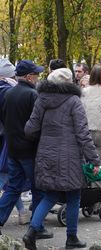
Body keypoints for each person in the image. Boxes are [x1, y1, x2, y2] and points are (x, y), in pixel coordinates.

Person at [22, 68, 101, 249]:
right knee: (74, 196)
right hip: (69, 156)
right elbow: (83, 134)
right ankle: (71, 238)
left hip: (46, 153)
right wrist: (94, 160)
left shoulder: (42, 100)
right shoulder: (74, 101)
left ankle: (31, 232)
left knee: (49, 196)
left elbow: (29, 129)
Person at [0, 60, 46, 236]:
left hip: (12, 148)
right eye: (36, 74)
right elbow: (37, 123)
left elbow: (4, 119)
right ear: (28, 77)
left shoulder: (9, 94)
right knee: (38, 188)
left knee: (13, 186)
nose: (38, 77)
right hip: (29, 149)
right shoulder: (32, 95)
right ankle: (37, 227)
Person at [0, 58, 30, 225]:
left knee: (8, 180)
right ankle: (23, 212)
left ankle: (24, 212)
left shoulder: (6, 91)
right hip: (10, 139)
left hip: (6, 139)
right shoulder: (11, 90)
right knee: (9, 180)